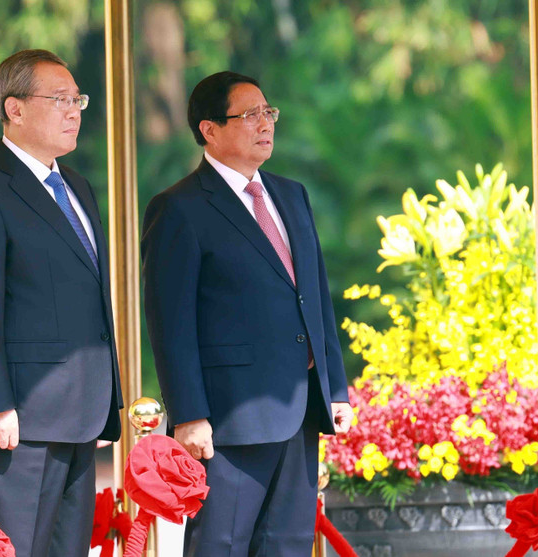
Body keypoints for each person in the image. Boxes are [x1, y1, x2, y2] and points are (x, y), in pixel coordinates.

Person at [141, 71, 353, 556]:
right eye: (250, 114)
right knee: (222, 544)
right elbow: (170, 325)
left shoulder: (291, 194)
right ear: (209, 130)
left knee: (289, 544)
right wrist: (190, 415)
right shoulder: (179, 208)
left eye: (268, 112)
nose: (265, 123)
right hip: (228, 421)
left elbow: (316, 298)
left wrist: (334, 387)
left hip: (298, 410)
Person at [0, 49, 122, 557]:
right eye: (59, 99)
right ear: (14, 109)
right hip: (17, 420)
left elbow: (92, 305)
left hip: (82, 415)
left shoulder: (79, 188)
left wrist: (108, 402)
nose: (74, 111)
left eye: (78, 100)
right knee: (12, 549)